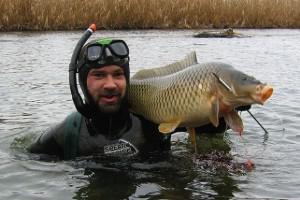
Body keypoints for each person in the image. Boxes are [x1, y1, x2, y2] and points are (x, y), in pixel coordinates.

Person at [28, 37, 248, 160]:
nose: (110, 84)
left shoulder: (151, 116)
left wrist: (229, 106)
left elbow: (211, 129)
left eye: (118, 74)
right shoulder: (67, 134)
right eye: (98, 75)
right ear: (83, 84)